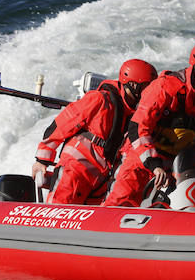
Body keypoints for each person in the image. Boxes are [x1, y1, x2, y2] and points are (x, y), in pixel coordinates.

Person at [102, 41, 195, 207]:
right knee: (118, 206)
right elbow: (138, 128)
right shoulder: (166, 86)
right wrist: (154, 165)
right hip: (140, 162)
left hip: (172, 172)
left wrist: (192, 171)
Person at [32, 59, 157, 204]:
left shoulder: (134, 117)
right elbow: (61, 125)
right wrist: (42, 160)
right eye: (147, 87)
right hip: (74, 171)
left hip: (100, 181)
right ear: (133, 85)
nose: (150, 93)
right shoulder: (99, 99)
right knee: (59, 214)